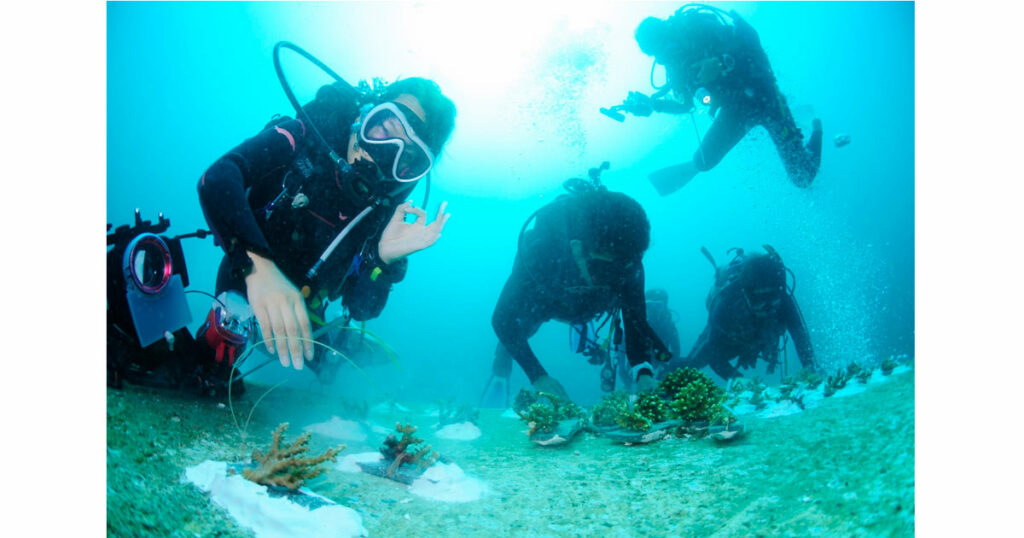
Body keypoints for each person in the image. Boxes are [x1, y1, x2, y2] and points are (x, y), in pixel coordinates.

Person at [197, 75, 456, 386]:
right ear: (366, 113)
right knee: (218, 351)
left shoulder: (382, 213)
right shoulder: (305, 136)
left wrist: (384, 261)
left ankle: (346, 346)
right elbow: (218, 177)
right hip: (246, 274)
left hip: (309, 306)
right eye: (384, 129)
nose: (382, 154)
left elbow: (361, 308)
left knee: (333, 369)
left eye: (406, 159)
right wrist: (258, 267)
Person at [488, 179, 671, 403]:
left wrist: (643, 372)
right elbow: (502, 319)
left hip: (590, 306)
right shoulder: (541, 253)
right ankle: (500, 369)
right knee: (521, 329)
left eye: (622, 269)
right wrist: (539, 376)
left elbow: (635, 320)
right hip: (549, 302)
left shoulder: (628, 260)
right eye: (603, 270)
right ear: (577, 248)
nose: (612, 279)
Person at [632, 4, 823, 195]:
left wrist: (722, 62)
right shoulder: (674, 66)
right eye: (657, 55)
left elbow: (749, 43)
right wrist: (653, 104)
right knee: (702, 162)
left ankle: (816, 129)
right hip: (736, 110)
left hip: (765, 96)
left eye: (662, 48)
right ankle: (792, 128)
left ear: (667, 31)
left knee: (803, 177)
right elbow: (686, 105)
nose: (664, 57)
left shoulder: (697, 27)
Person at [669, 245, 815, 380]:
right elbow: (713, 353)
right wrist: (739, 381)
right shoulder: (727, 303)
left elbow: (800, 336)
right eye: (761, 300)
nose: (767, 307)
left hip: (759, 339)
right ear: (746, 294)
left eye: (772, 299)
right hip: (730, 340)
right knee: (691, 364)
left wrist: (810, 368)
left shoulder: (783, 299)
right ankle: (663, 379)